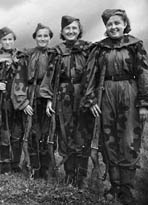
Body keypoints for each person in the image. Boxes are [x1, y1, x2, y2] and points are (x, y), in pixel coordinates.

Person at [81, 9, 148, 204]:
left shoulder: (135, 45)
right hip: (106, 94)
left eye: (117, 23)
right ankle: (114, 185)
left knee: (128, 140)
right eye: (109, 24)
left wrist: (144, 103)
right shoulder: (99, 49)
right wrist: (91, 100)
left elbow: (143, 74)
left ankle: (126, 188)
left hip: (129, 94)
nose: (113, 27)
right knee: (109, 140)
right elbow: (90, 75)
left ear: (125, 24)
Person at [40, 16, 92, 187]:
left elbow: (94, 75)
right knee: (65, 134)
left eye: (74, 28)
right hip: (63, 97)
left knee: (83, 134)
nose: (71, 31)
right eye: (67, 29)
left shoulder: (89, 49)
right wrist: (49, 100)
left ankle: (81, 177)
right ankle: (70, 174)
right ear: (62, 32)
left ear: (79, 30)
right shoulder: (57, 51)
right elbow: (50, 76)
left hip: (84, 95)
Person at [12, 23, 54, 178]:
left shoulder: (54, 55)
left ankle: (46, 169)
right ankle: (33, 167)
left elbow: (55, 79)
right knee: (31, 133)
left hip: (47, 97)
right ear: (35, 38)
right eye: (39, 36)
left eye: (46, 36)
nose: (42, 38)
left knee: (46, 134)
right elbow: (19, 78)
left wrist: (50, 99)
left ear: (50, 38)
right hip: (30, 96)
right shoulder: (27, 55)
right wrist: (23, 102)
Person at [0, 27, 27, 173]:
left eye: (10, 39)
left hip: (20, 95)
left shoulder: (21, 55)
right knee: (4, 129)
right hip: (4, 98)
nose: (8, 42)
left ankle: (16, 163)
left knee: (17, 129)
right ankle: (4, 163)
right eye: (4, 39)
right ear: (0, 41)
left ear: (14, 40)